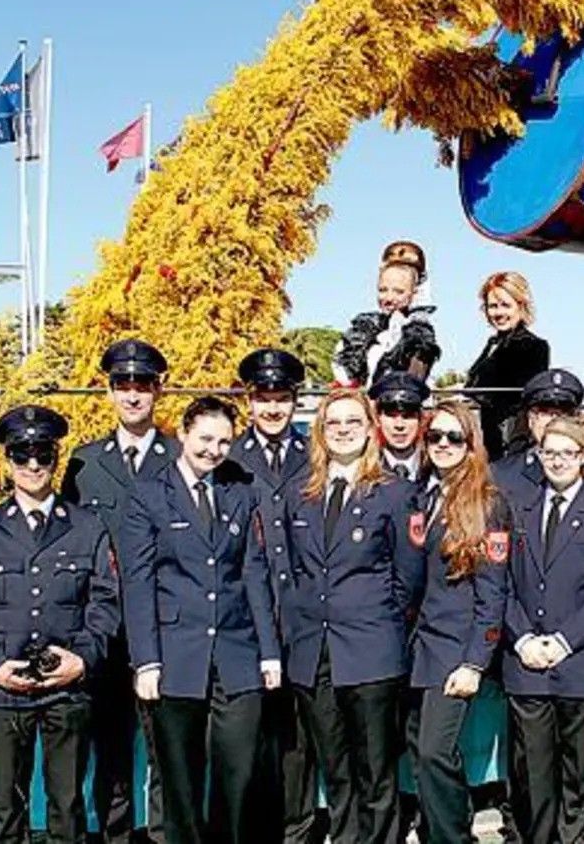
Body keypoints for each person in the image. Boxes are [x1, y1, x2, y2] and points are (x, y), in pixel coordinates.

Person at [0, 405, 120, 844]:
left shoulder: (87, 526)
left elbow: (106, 601)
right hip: (5, 689)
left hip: (67, 688)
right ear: (8, 461)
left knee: (68, 805)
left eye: (43, 454)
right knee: (5, 807)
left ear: (55, 458)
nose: (33, 466)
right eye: (22, 455)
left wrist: (81, 659)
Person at [119, 396, 282, 844]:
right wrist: (146, 661)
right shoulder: (149, 495)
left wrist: (268, 653)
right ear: (185, 434)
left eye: (224, 441)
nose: (214, 450)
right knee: (181, 786)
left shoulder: (238, 492)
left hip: (236, 653)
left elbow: (253, 573)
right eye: (206, 438)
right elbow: (137, 583)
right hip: (176, 657)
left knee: (238, 777)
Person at [281, 390, 417, 844]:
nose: (342, 429)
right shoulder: (301, 494)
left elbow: (407, 579)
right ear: (320, 430)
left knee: (375, 772)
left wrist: (375, 623)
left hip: (371, 652)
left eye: (352, 421)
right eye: (333, 422)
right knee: (335, 770)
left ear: (369, 427)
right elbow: (296, 572)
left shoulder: (395, 493)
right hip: (313, 653)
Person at [61, 339, 177, 844]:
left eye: (142, 385)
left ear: (159, 389)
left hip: (169, 626)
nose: (132, 395)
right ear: (108, 391)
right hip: (107, 631)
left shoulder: (181, 456)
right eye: (122, 385)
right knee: (109, 750)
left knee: (168, 750)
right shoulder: (84, 463)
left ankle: (163, 836)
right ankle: (115, 836)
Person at [502, 417, 584, 844]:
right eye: (549, 453)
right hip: (527, 659)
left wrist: (562, 641)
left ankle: (577, 837)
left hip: (579, 658)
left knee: (580, 767)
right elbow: (498, 581)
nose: (557, 461)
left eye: (567, 453)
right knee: (532, 768)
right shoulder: (515, 504)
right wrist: (521, 639)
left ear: (583, 458)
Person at [394, 401, 511, 844]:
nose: (442, 444)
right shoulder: (423, 494)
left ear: (470, 444)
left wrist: (476, 661)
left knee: (434, 750)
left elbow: (493, 591)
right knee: (420, 751)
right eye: (435, 436)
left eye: (453, 437)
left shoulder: (487, 503)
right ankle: (448, 827)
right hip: (418, 648)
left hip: (456, 651)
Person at [228, 348, 322, 844]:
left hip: (306, 617)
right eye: (263, 398)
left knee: (299, 739)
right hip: (247, 620)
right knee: (250, 737)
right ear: (248, 400)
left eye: (281, 398)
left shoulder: (315, 455)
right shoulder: (228, 458)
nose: (272, 408)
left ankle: (300, 830)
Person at [492, 369, 584, 508]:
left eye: (564, 413)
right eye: (545, 412)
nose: (555, 421)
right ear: (531, 420)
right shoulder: (502, 475)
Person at [465, 271, 551, 461]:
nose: (498, 312)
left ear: (521, 307)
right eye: (493, 306)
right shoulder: (493, 343)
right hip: (489, 437)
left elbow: (517, 396)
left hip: (513, 441)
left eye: (505, 305)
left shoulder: (533, 346)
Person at [333, 251, 441, 387]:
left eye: (398, 291)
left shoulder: (420, 336)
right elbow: (344, 377)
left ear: (414, 293)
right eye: (382, 290)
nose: (389, 298)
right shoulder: (363, 328)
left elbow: (413, 383)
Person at [370, 371, 431, 484]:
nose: (399, 425)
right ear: (378, 419)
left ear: (421, 419)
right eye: (391, 416)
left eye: (408, 416)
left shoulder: (434, 469)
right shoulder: (365, 469)